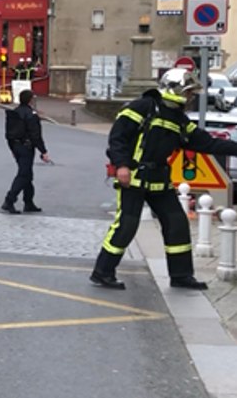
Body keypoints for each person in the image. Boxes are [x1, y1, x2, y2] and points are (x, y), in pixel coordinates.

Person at [91, 67, 237, 290]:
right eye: (188, 92)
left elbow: (206, 143)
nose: (190, 98)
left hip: (160, 180)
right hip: (134, 178)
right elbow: (117, 138)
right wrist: (121, 165)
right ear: (175, 89)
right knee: (126, 225)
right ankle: (103, 272)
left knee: (177, 224)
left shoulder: (179, 119)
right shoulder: (143, 107)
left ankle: (181, 276)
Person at [1, 89, 50, 214]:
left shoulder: (15, 113)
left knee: (27, 175)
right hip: (26, 148)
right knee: (23, 175)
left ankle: (28, 202)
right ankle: (9, 200)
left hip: (16, 146)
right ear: (30, 100)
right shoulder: (31, 115)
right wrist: (43, 151)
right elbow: (36, 135)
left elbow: (8, 134)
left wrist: (12, 148)